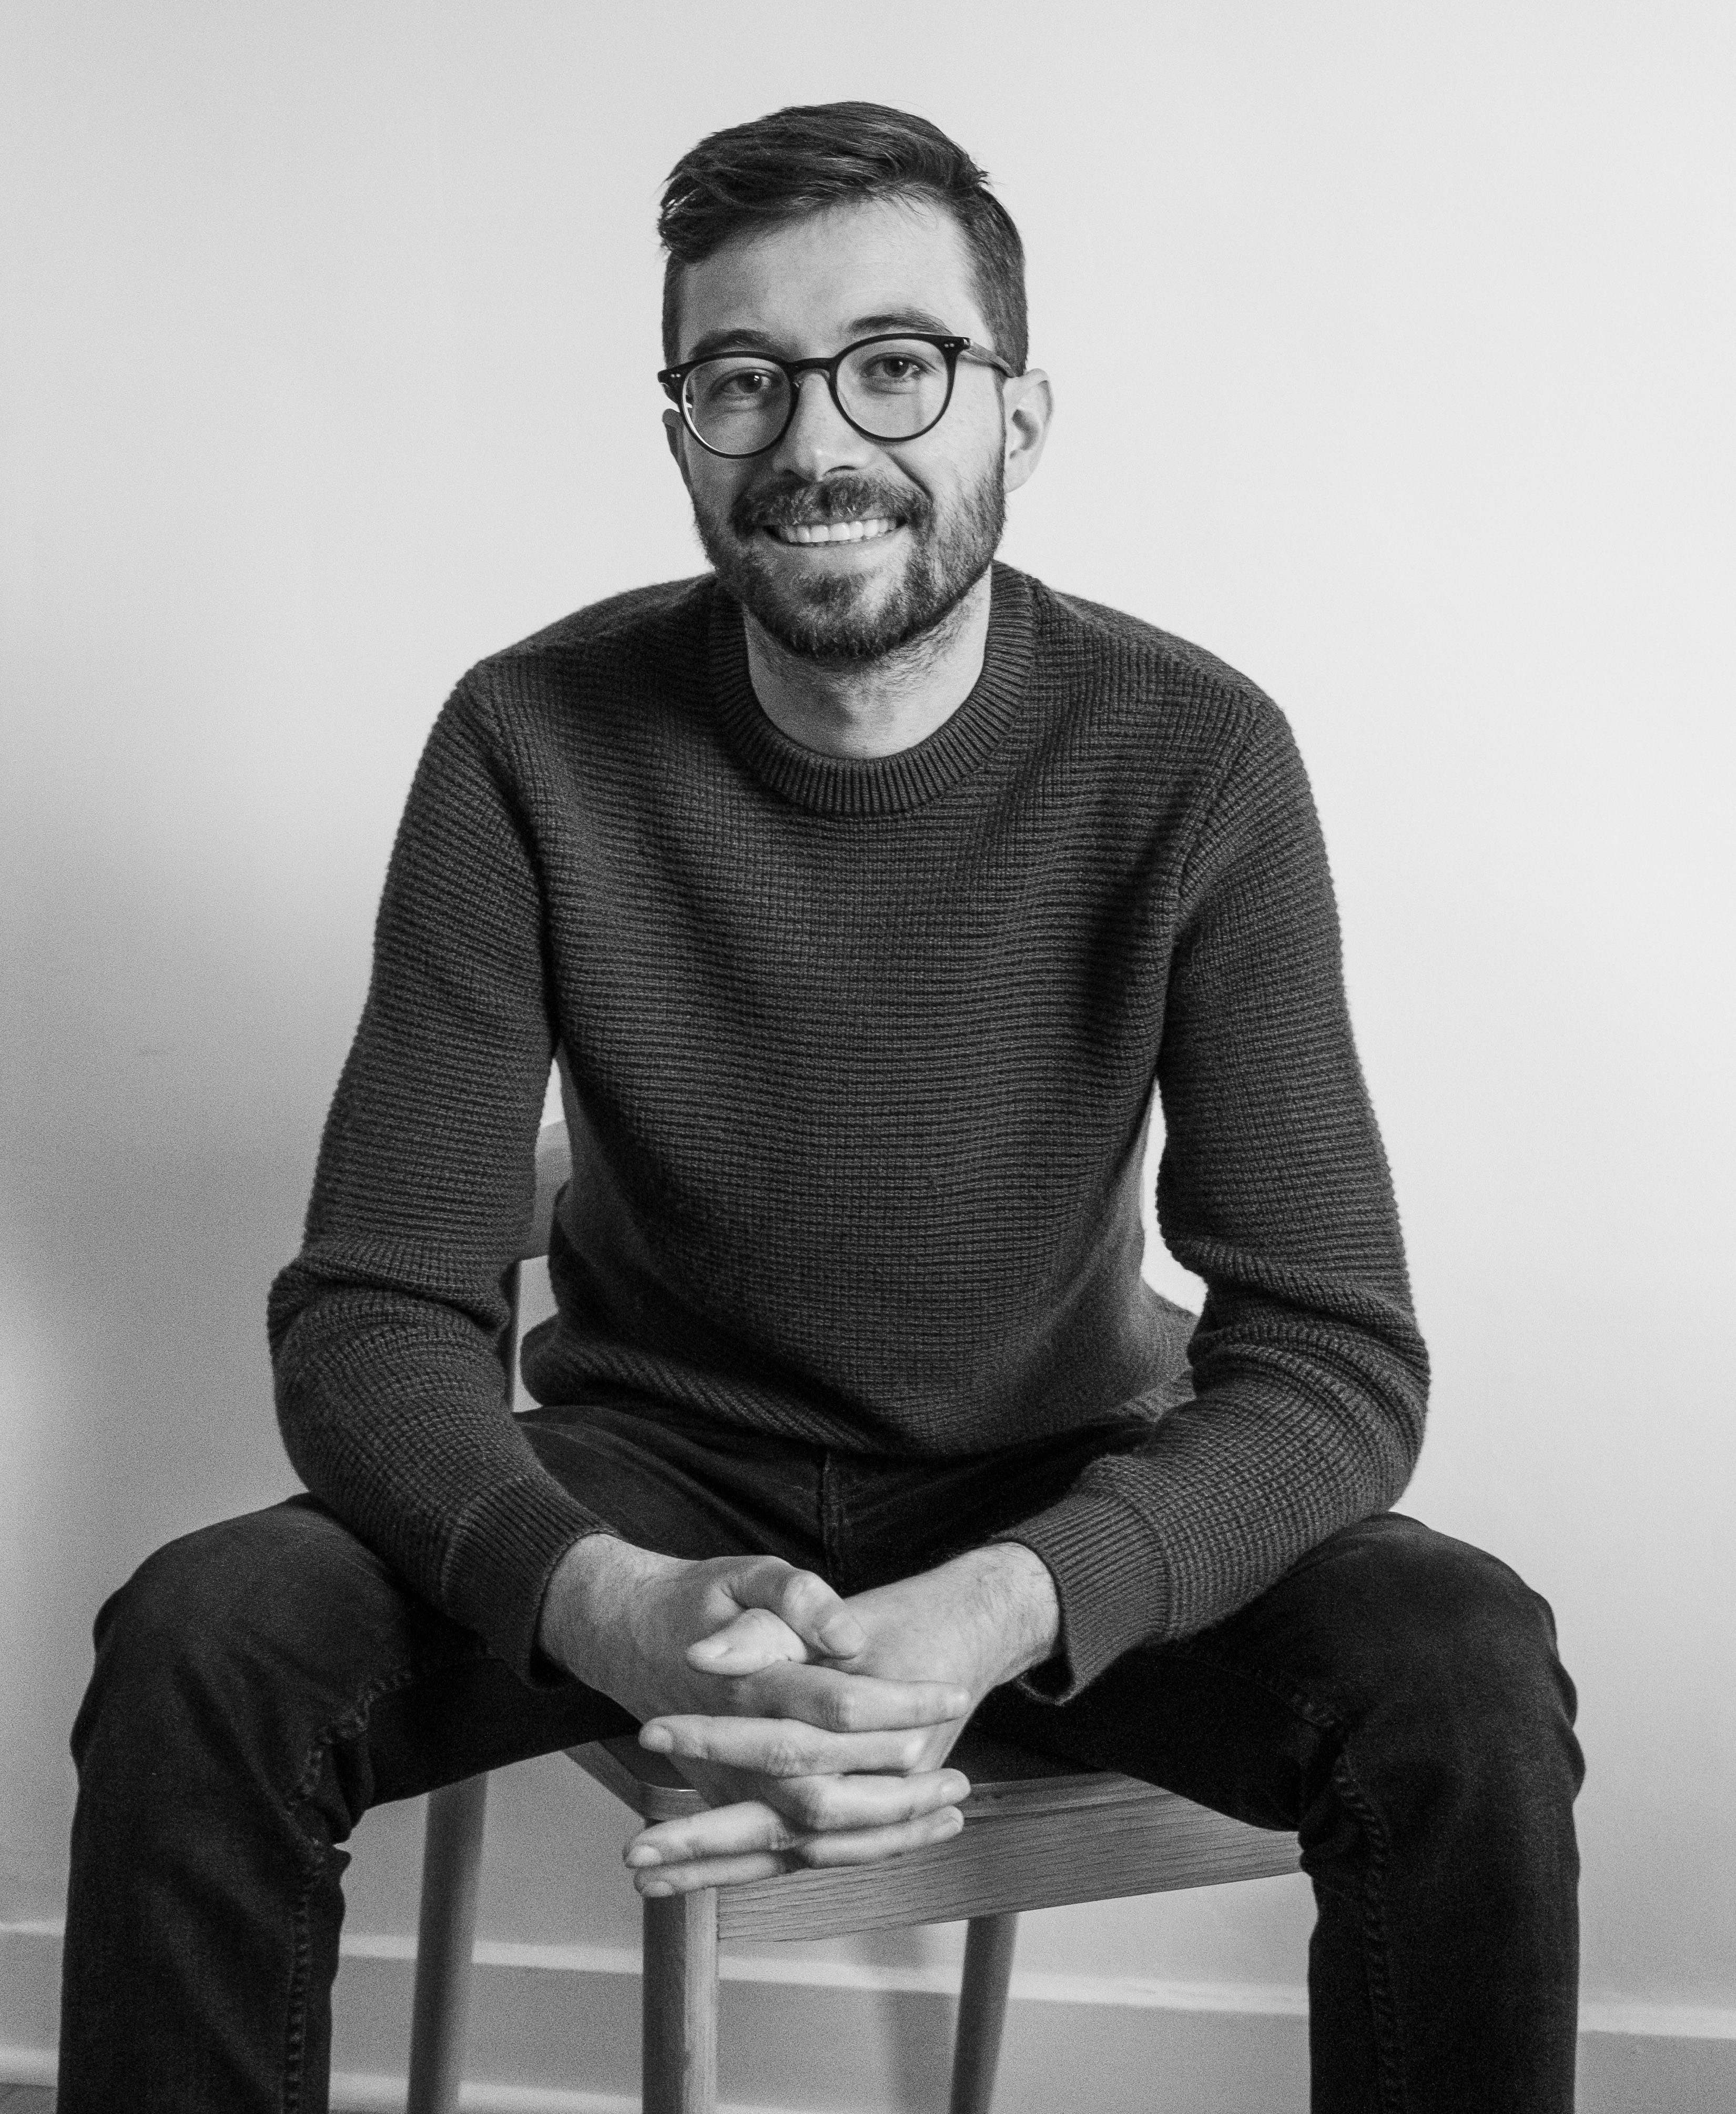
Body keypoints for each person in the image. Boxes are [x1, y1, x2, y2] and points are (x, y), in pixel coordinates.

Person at [59, 102, 1582, 2112]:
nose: (813, 444)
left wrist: (993, 1615)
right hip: (652, 1479)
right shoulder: (530, 738)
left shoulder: (1198, 758)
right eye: (740, 381)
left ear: (1016, 419)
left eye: (893, 366)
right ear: (681, 421)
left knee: (1459, 1666)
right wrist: (609, 1611)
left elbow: (1336, 1355)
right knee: (207, 1640)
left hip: (1044, 1487)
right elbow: (371, 1309)